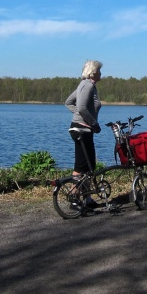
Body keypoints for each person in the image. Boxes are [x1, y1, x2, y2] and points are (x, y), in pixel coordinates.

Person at [65, 60, 103, 206]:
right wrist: (93, 122)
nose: (101, 74)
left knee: (89, 165)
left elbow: (69, 102)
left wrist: (81, 117)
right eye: (99, 71)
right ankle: (74, 198)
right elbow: (80, 107)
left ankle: (87, 198)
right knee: (81, 165)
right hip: (82, 129)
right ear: (93, 73)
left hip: (84, 128)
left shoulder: (87, 85)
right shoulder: (87, 85)